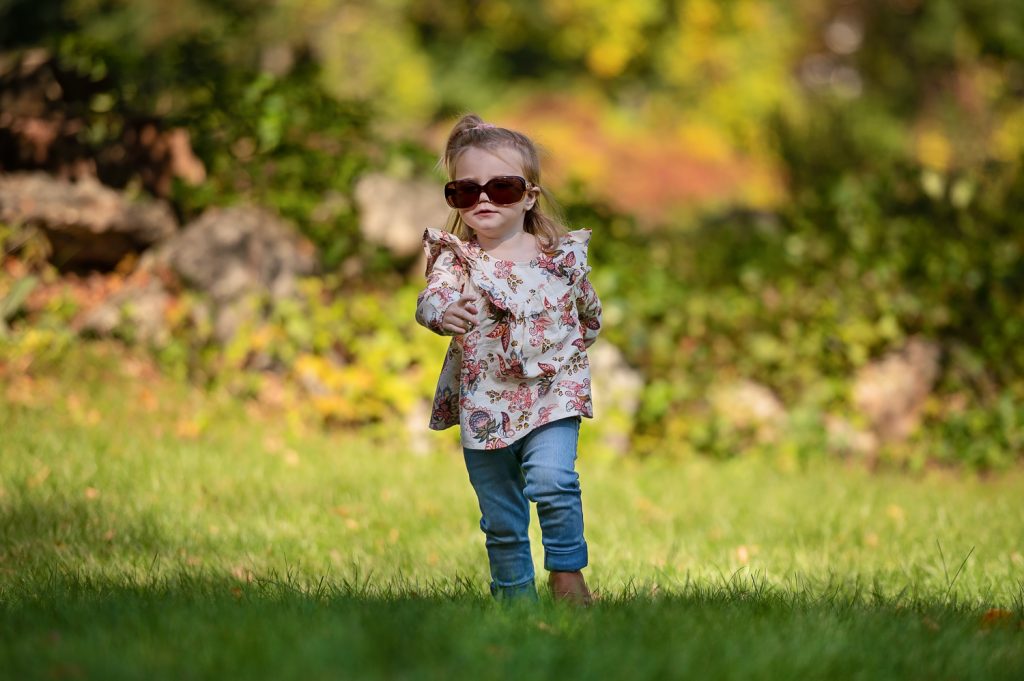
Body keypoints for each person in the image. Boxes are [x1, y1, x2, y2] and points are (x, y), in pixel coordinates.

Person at [415, 114, 602, 606]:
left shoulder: (560, 257)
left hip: (550, 394)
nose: (483, 200)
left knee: (554, 481)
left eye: (501, 188)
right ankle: (515, 600)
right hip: (485, 402)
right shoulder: (457, 259)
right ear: (454, 198)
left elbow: (588, 313)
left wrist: (560, 355)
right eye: (465, 190)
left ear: (528, 196)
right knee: (500, 514)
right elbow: (429, 301)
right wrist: (445, 312)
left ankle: (567, 574)